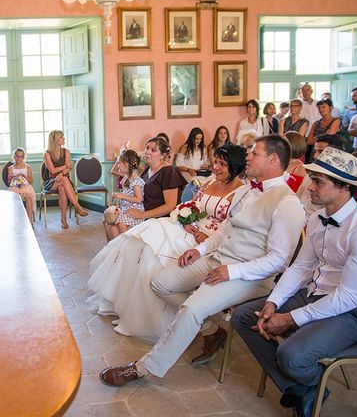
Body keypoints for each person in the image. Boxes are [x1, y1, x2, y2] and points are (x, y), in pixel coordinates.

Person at [98, 135, 305, 386]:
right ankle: (212, 326)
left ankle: (143, 368)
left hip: (249, 275)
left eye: (254, 153)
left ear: (273, 159)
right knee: (160, 283)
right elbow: (225, 229)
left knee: (191, 308)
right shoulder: (248, 191)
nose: (248, 157)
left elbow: (280, 261)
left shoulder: (288, 203)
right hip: (216, 257)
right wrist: (201, 249)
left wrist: (232, 271)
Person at [232, 147, 357, 417]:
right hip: (314, 294)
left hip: (353, 312)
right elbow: (301, 267)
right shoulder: (318, 219)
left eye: (318, 181)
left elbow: (348, 297)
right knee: (244, 317)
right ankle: (307, 388)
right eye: (311, 178)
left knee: (292, 356)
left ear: (343, 187)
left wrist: (291, 318)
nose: (309, 187)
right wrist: (273, 302)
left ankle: (303, 382)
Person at [88, 144, 247, 342]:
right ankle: (129, 309)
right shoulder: (210, 182)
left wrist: (206, 237)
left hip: (209, 240)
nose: (216, 167)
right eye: (216, 162)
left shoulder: (242, 193)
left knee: (151, 255)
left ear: (236, 166)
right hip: (187, 228)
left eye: (223, 164)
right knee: (139, 243)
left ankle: (153, 319)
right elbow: (190, 205)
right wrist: (185, 219)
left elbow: (233, 227)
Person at [42, 130, 88, 229]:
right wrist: (65, 166)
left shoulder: (66, 152)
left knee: (62, 188)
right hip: (50, 181)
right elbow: (53, 171)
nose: (64, 139)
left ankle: (63, 220)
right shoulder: (47, 154)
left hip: (63, 179)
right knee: (64, 180)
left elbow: (68, 169)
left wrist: (62, 173)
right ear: (55, 140)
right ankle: (78, 207)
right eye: (62, 137)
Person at [296, 134, 345, 218]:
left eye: (321, 152)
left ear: (336, 154)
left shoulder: (339, 182)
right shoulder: (309, 175)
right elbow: (297, 199)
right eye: (315, 151)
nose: (315, 155)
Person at [104, 150, 145, 241]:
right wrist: (119, 197)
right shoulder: (127, 177)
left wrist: (122, 196)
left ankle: (126, 244)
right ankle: (110, 246)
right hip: (125, 207)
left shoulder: (136, 181)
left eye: (119, 163)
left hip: (135, 209)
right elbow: (125, 193)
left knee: (121, 224)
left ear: (126, 165)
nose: (118, 166)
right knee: (106, 220)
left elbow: (139, 199)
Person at [7, 147, 35, 223]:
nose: (19, 158)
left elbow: (31, 181)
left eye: (21, 156)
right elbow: (9, 182)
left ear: (23, 157)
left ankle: (30, 220)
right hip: (15, 187)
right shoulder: (11, 168)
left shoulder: (28, 167)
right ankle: (17, 220)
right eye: (17, 156)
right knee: (15, 198)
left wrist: (25, 176)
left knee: (29, 198)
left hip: (25, 187)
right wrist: (13, 177)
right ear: (14, 156)